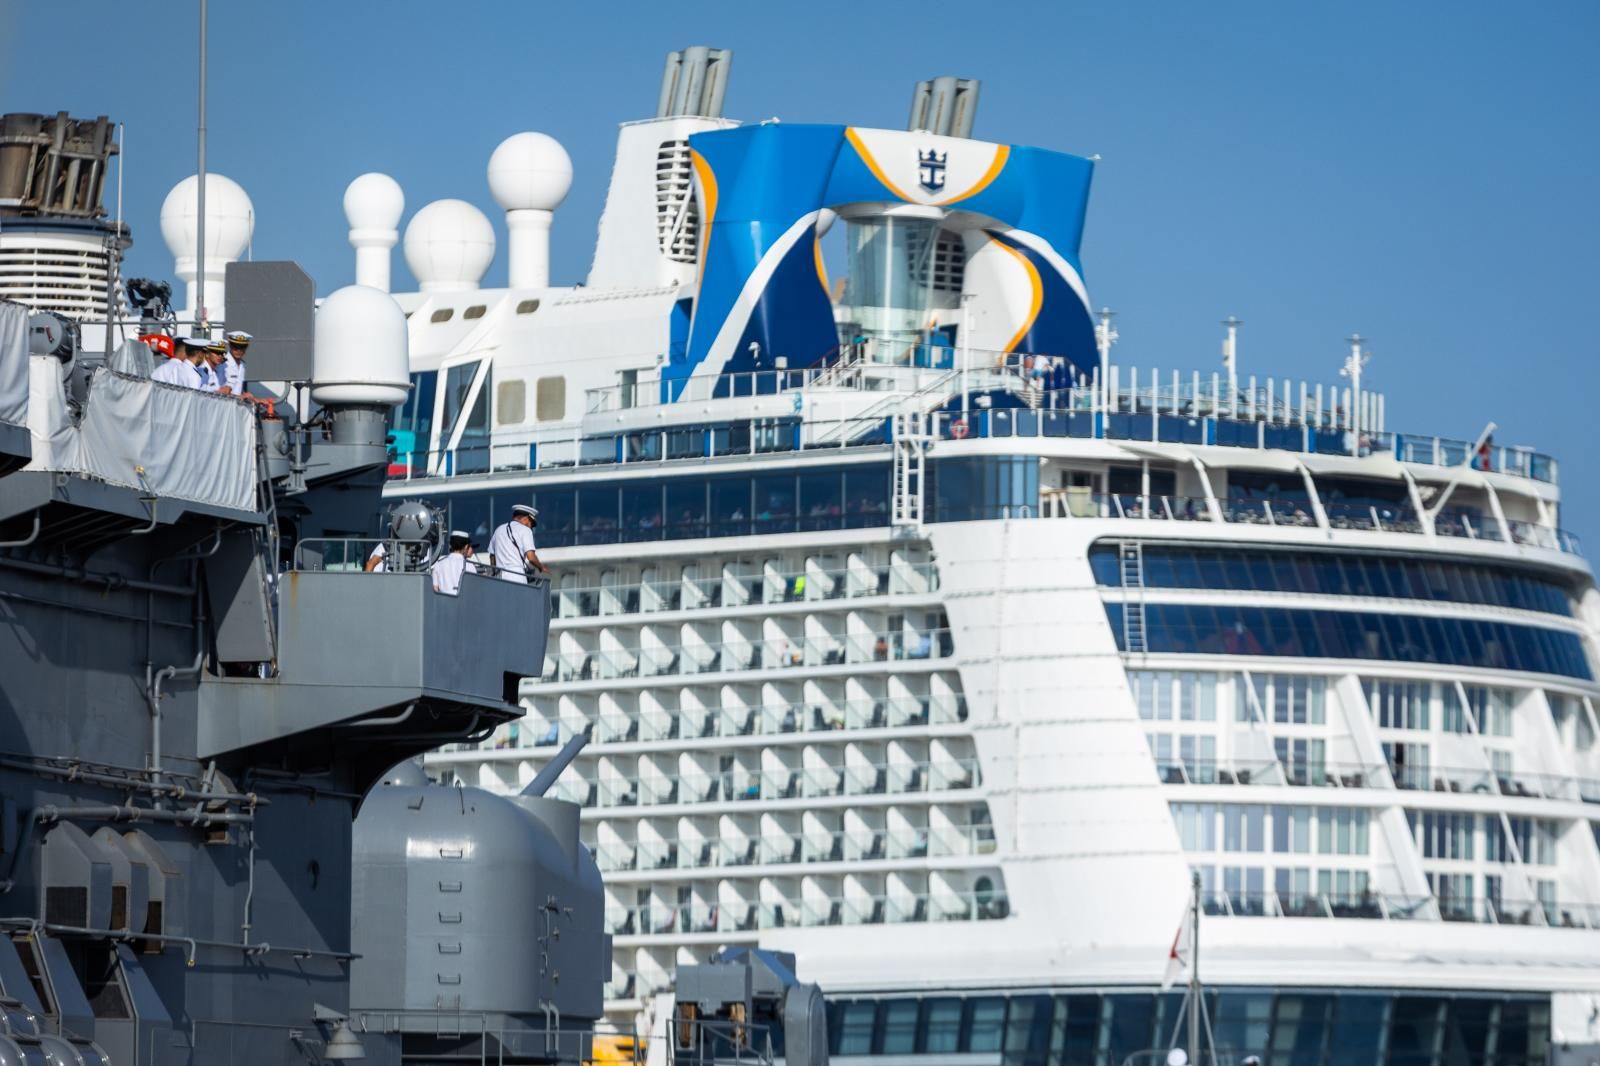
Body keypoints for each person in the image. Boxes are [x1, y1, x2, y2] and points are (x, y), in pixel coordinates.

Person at [488, 504, 550, 583]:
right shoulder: (525, 530)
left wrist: (494, 572)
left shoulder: (498, 530)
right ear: (526, 518)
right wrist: (541, 567)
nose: (530, 527)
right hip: (517, 575)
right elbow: (531, 558)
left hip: (500, 576)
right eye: (531, 523)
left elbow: (492, 556)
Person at [430, 530, 475, 595]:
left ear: (451, 545)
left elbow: (435, 589)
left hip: (443, 602)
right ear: (466, 547)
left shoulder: (438, 565)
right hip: (463, 602)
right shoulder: (470, 566)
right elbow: (473, 589)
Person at [221, 330, 251, 397]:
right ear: (230, 345)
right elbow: (217, 390)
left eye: (242, 347)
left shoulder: (242, 365)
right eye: (235, 347)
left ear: (246, 347)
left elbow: (238, 388)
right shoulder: (222, 364)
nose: (239, 351)